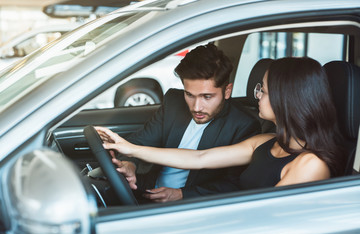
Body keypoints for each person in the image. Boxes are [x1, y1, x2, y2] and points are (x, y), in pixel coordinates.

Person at [96, 57, 345, 192]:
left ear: (286, 100)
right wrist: (129, 149)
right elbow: (199, 158)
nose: (256, 95)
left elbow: (264, 220)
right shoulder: (266, 142)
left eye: (264, 91)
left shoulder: (310, 165)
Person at [99, 43, 261, 203]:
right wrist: (129, 165)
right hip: (145, 193)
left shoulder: (243, 125)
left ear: (227, 91)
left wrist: (182, 194)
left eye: (207, 97)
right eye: (190, 95)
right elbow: (138, 142)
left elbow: (234, 185)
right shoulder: (174, 102)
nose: (197, 107)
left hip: (191, 206)